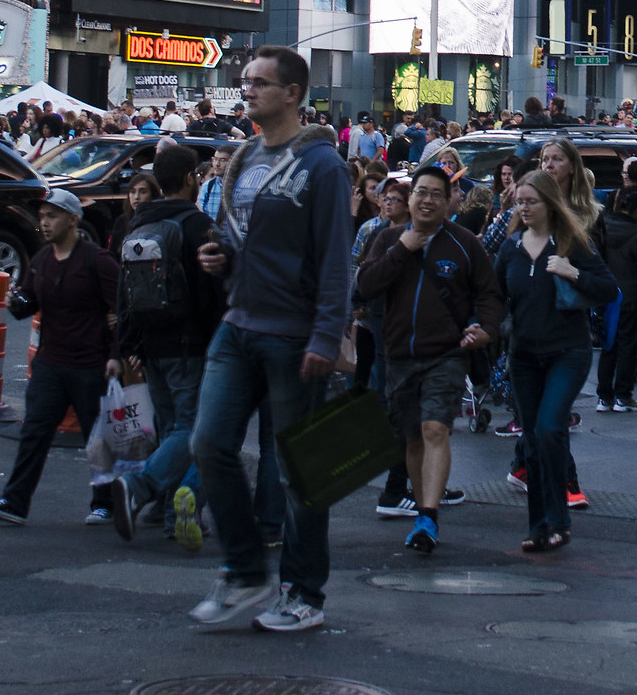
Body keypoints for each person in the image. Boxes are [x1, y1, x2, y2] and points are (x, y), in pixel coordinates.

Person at [187, 46, 354, 634]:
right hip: (239, 323)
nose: (246, 90)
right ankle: (243, 570)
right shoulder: (245, 157)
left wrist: (325, 334)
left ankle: (303, 590)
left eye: (259, 83)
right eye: (244, 81)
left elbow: (336, 259)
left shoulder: (323, 167)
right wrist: (222, 256)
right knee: (208, 443)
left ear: (292, 95)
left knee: (298, 471)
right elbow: (248, 239)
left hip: (294, 336)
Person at [356, 161, 502, 553]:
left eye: (438, 194)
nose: (428, 200)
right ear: (409, 197)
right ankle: (421, 507)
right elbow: (364, 286)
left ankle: (428, 518)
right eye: (421, 192)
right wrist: (402, 250)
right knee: (412, 436)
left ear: (449, 201)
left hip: (448, 354)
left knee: (435, 428)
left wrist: (485, 327)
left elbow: (489, 293)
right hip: (398, 353)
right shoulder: (388, 240)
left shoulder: (465, 243)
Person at [0, 188, 122, 526]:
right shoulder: (42, 259)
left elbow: (121, 309)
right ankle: (15, 502)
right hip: (51, 363)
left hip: (90, 365)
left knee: (97, 438)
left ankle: (106, 503)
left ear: (73, 220)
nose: (44, 222)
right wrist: (17, 302)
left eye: (52, 215)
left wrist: (116, 355)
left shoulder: (96, 260)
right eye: (42, 216)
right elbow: (29, 300)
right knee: (35, 433)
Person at [103, 141, 225, 544]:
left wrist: (127, 342)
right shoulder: (197, 225)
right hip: (190, 342)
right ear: (191, 179)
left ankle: (176, 518)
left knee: (172, 425)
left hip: (149, 341)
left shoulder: (139, 224)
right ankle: (139, 487)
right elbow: (211, 291)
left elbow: (125, 289)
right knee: (192, 429)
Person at [494, 168, 617, 552]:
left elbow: (609, 289)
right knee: (532, 440)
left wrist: (573, 272)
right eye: (519, 202)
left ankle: (559, 518)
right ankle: (539, 525)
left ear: (550, 203)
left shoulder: (572, 244)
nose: (524, 208)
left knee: (549, 428)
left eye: (531, 201)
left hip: (568, 351)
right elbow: (494, 295)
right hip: (524, 355)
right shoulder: (511, 248)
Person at [594, 185, 637, 410]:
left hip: (606, 295)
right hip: (631, 297)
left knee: (609, 345)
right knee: (628, 346)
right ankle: (623, 395)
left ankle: (604, 396)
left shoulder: (603, 226)